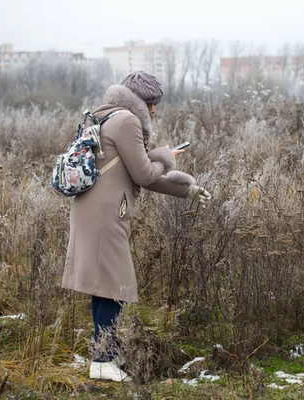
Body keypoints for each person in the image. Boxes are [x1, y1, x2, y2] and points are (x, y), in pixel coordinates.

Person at [61, 71, 211, 382]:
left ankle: (105, 353)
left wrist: (187, 190)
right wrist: (167, 156)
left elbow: (139, 172)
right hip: (106, 213)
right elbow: (144, 174)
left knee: (104, 285)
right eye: (152, 103)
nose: (154, 110)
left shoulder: (105, 116)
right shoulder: (127, 121)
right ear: (139, 100)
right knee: (115, 285)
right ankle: (102, 361)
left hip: (92, 208)